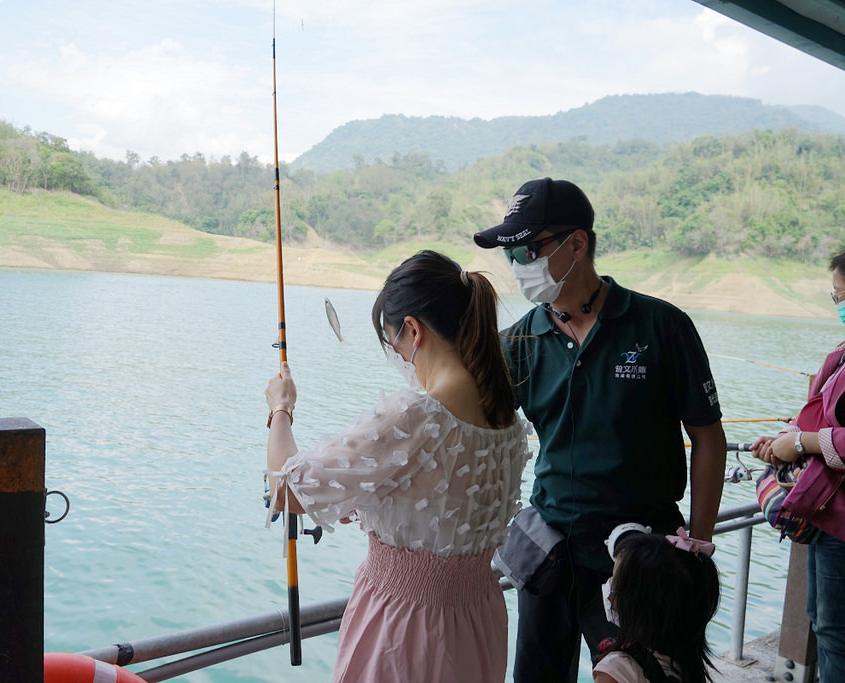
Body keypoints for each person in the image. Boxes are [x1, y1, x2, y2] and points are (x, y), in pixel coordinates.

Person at [471, 178, 727, 682]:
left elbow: (708, 439)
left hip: (642, 556)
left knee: (651, 674)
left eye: (528, 249)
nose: (519, 264)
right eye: (510, 254)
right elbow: (474, 430)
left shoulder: (660, 326)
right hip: (549, 549)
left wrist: (695, 546)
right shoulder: (519, 342)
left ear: (577, 244)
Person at [265, 250, 531, 682]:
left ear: (412, 330)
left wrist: (280, 409)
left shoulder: (418, 415)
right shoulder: (507, 422)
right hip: (477, 624)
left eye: (394, 343)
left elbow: (288, 490)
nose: (397, 356)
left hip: (405, 631)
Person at [751, 248, 845, 680]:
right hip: (827, 519)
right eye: (835, 296)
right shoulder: (841, 355)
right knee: (822, 621)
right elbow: (820, 414)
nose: (838, 305)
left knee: (835, 633)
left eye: (841, 296)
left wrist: (803, 441)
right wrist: (787, 439)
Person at [593, 527, 721, 683]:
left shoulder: (615, 670)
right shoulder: (686, 658)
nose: (609, 586)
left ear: (638, 603)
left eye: (615, 581)